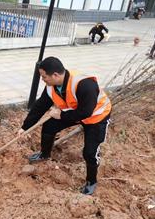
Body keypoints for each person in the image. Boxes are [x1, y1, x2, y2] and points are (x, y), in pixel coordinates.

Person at [19, 57, 111, 195]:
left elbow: (86, 112)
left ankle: (91, 181)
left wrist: (61, 115)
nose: (43, 80)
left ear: (55, 75)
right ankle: (44, 154)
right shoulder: (51, 86)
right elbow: (40, 106)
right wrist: (25, 127)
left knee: (90, 152)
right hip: (75, 112)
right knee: (50, 125)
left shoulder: (84, 84)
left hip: (96, 117)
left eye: (44, 77)